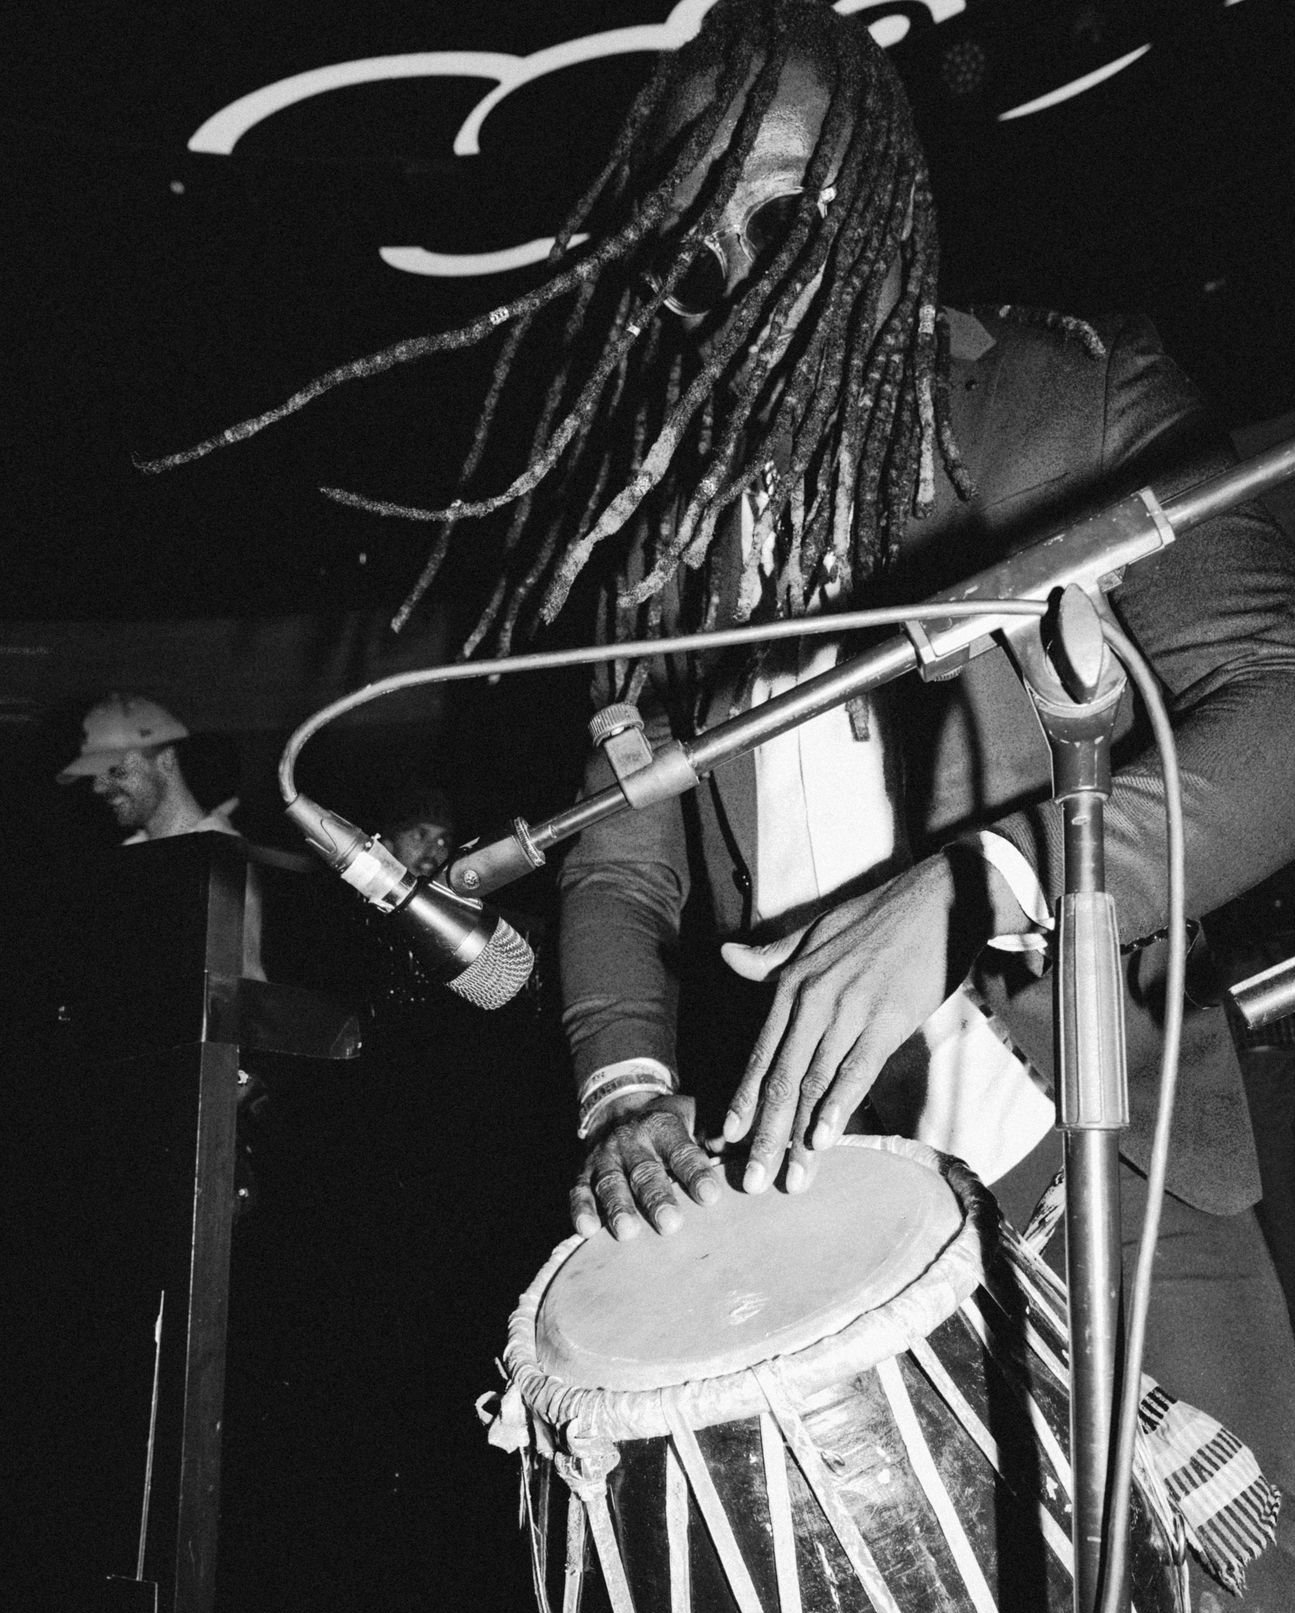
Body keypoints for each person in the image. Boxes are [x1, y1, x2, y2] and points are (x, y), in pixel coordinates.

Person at [136, 2, 1295, 1599]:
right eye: (693, 234)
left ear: (882, 194)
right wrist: (625, 1088)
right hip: (817, 1187)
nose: (742, 265)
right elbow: (621, 857)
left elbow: (1273, 710)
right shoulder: (658, 527)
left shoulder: (1070, 401)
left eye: (783, 205)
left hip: (1098, 1156)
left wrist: (985, 885)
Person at [56, 691, 264, 977]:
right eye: (95, 775)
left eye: (116, 771)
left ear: (166, 761)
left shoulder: (218, 860)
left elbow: (227, 987)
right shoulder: (130, 856)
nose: (99, 787)